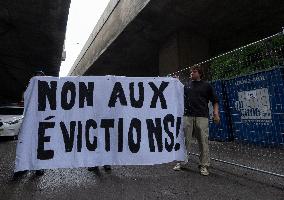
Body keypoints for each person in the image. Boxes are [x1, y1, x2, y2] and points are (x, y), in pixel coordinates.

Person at [173, 65, 220, 176]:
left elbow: (215, 101)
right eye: (191, 72)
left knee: (203, 142)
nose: (191, 73)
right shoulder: (187, 86)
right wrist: (176, 82)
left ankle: (204, 165)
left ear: (200, 73)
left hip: (202, 117)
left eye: (194, 72)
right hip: (188, 116)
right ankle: (181, 162)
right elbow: (178, 93)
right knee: (184, 141)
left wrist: (216, 113)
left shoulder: (207, 86)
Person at [13, 70, 46, 179]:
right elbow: (23, 103)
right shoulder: (28, 90)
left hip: (41, 122)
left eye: (40, 77)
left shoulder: (47, 90)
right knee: (26, 144)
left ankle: (38, 167)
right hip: (28, 121)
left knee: (40, 145)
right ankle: (22, 167)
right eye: (36, 77)